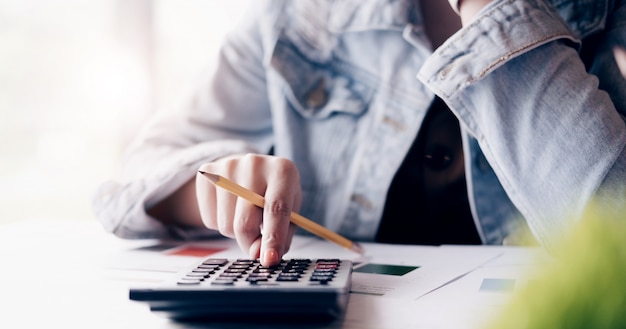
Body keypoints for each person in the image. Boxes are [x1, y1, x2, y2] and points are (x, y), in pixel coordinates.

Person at [93, 0, 626, 267]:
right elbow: (135, 176)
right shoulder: (301, 16)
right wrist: (210, 184)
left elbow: (614, 252)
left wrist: (495, 15)